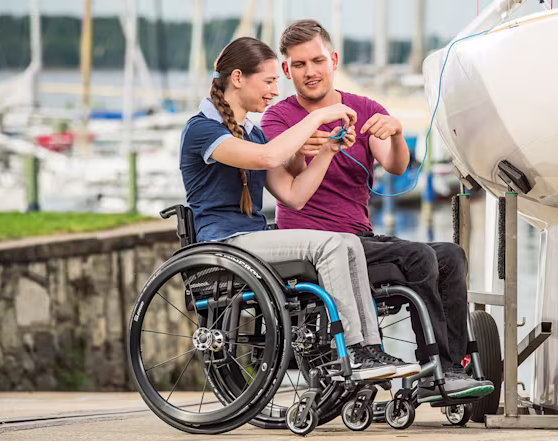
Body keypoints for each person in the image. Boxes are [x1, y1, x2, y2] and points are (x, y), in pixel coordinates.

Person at [260, 20, 493, 403]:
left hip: (362, 239)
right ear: (287, 70)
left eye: (317, 61)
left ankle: (450, 369)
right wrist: (309, 147)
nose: (310, 71)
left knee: (451, 256)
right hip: (316, 247)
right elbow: (284, 184)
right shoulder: (280, 119)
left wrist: (397, 133)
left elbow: (396, 166)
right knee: (417, 256)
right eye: (299, 65)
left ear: (333, 60)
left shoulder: (363, 108)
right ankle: (434, 368)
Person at [179, 36, 420, 380]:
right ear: (237, 79)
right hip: (224, 243)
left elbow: (294, 195)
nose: (275, 90)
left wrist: (327, 152)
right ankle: (352, 349)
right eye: (268, 81)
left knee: (348, 241)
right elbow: (269, 158)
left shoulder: (253, 133)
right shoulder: (202, 130)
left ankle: (369, 349)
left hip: (253, 240)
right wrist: (319, 115)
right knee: (333, 243)